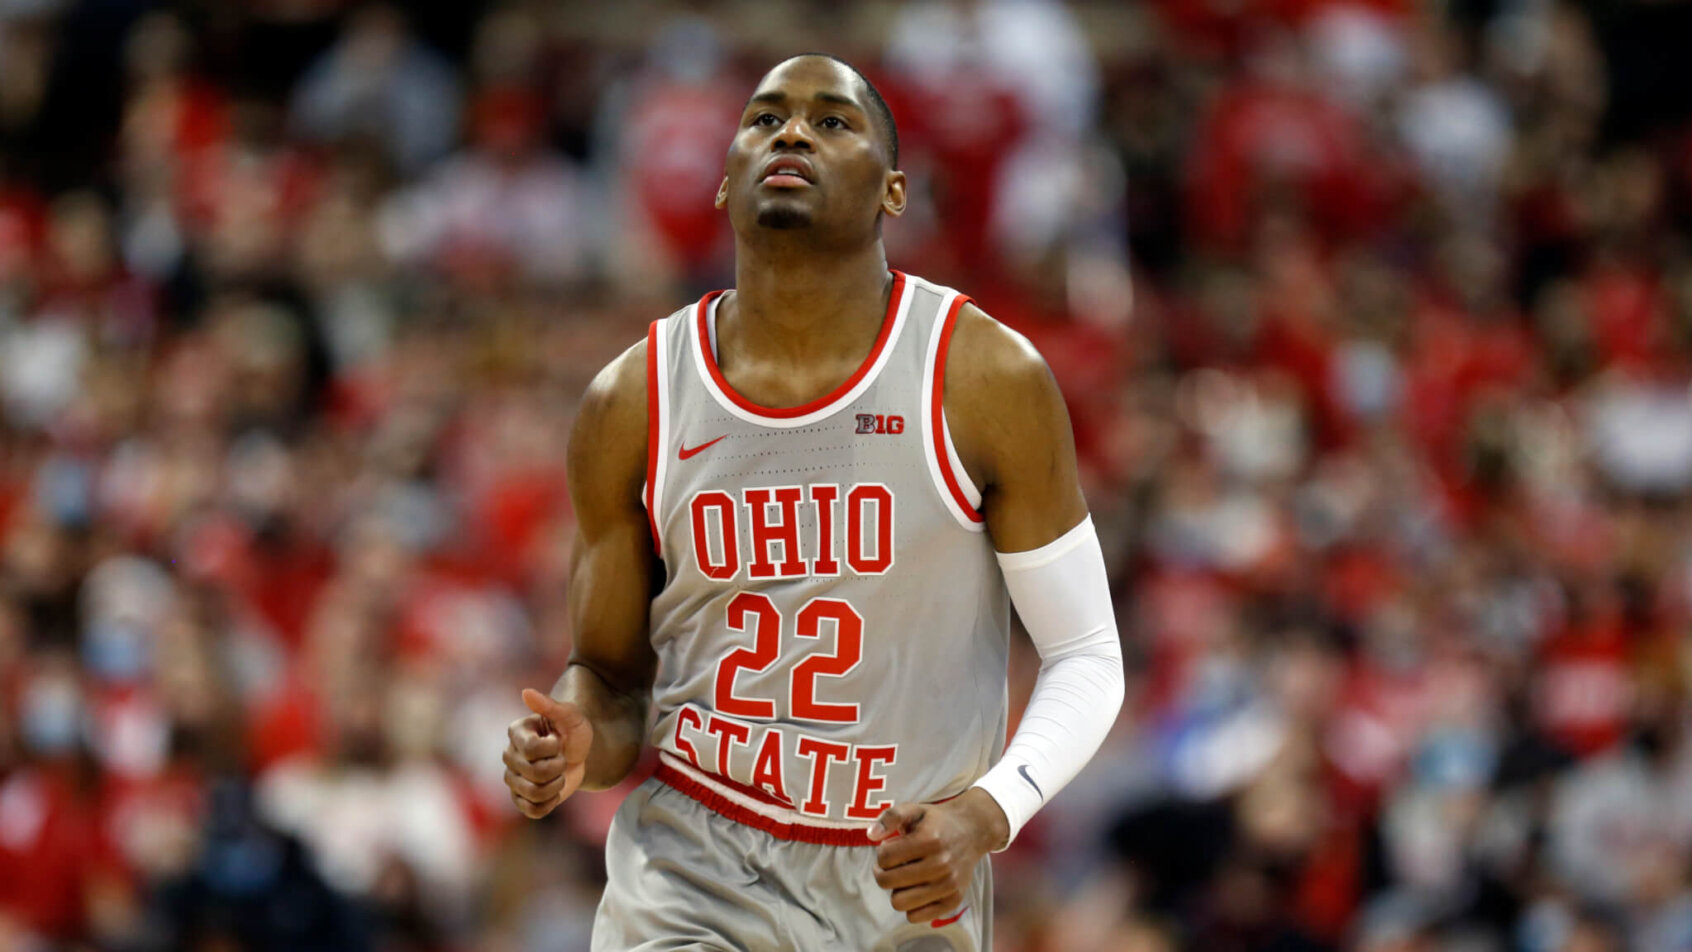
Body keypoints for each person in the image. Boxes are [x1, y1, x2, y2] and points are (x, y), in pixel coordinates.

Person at [500, 53, 1125, 952]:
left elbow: (1086, 654)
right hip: (696, 865)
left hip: (902, 874)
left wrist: (988, 815)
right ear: (722, 184)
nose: (790, 132)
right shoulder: (634, 398)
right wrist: (571, 745)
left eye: (832, 121)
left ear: (894, 193)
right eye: (764, 119)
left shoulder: (981, 376)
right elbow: (610, 681)